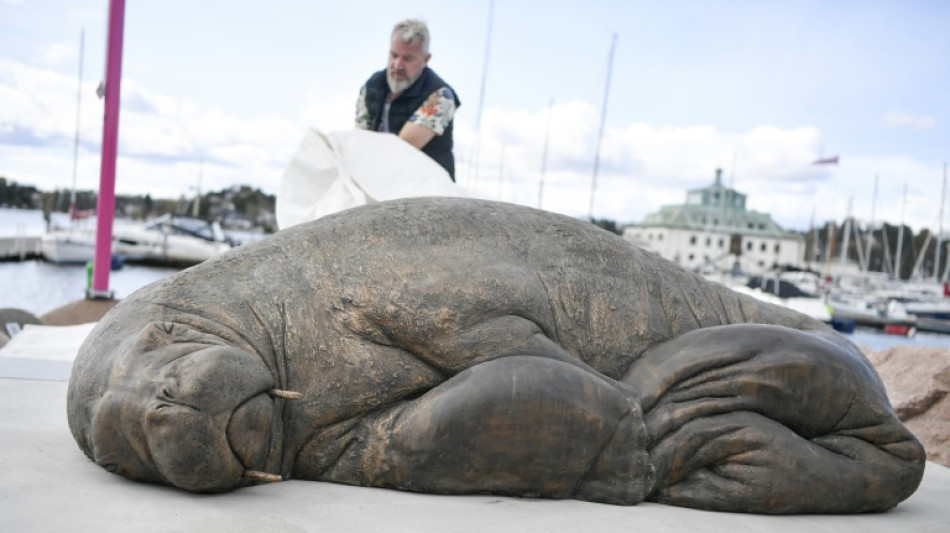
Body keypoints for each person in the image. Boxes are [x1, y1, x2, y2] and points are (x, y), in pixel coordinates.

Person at [356, 19, 461, 180]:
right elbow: (360, 141)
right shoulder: (372, 87)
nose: (397, 65)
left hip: (429, 188)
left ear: (425, 59)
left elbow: (403, 149)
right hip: (378, 179)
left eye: (408, 58)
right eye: (394, 55)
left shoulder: (441, 95)